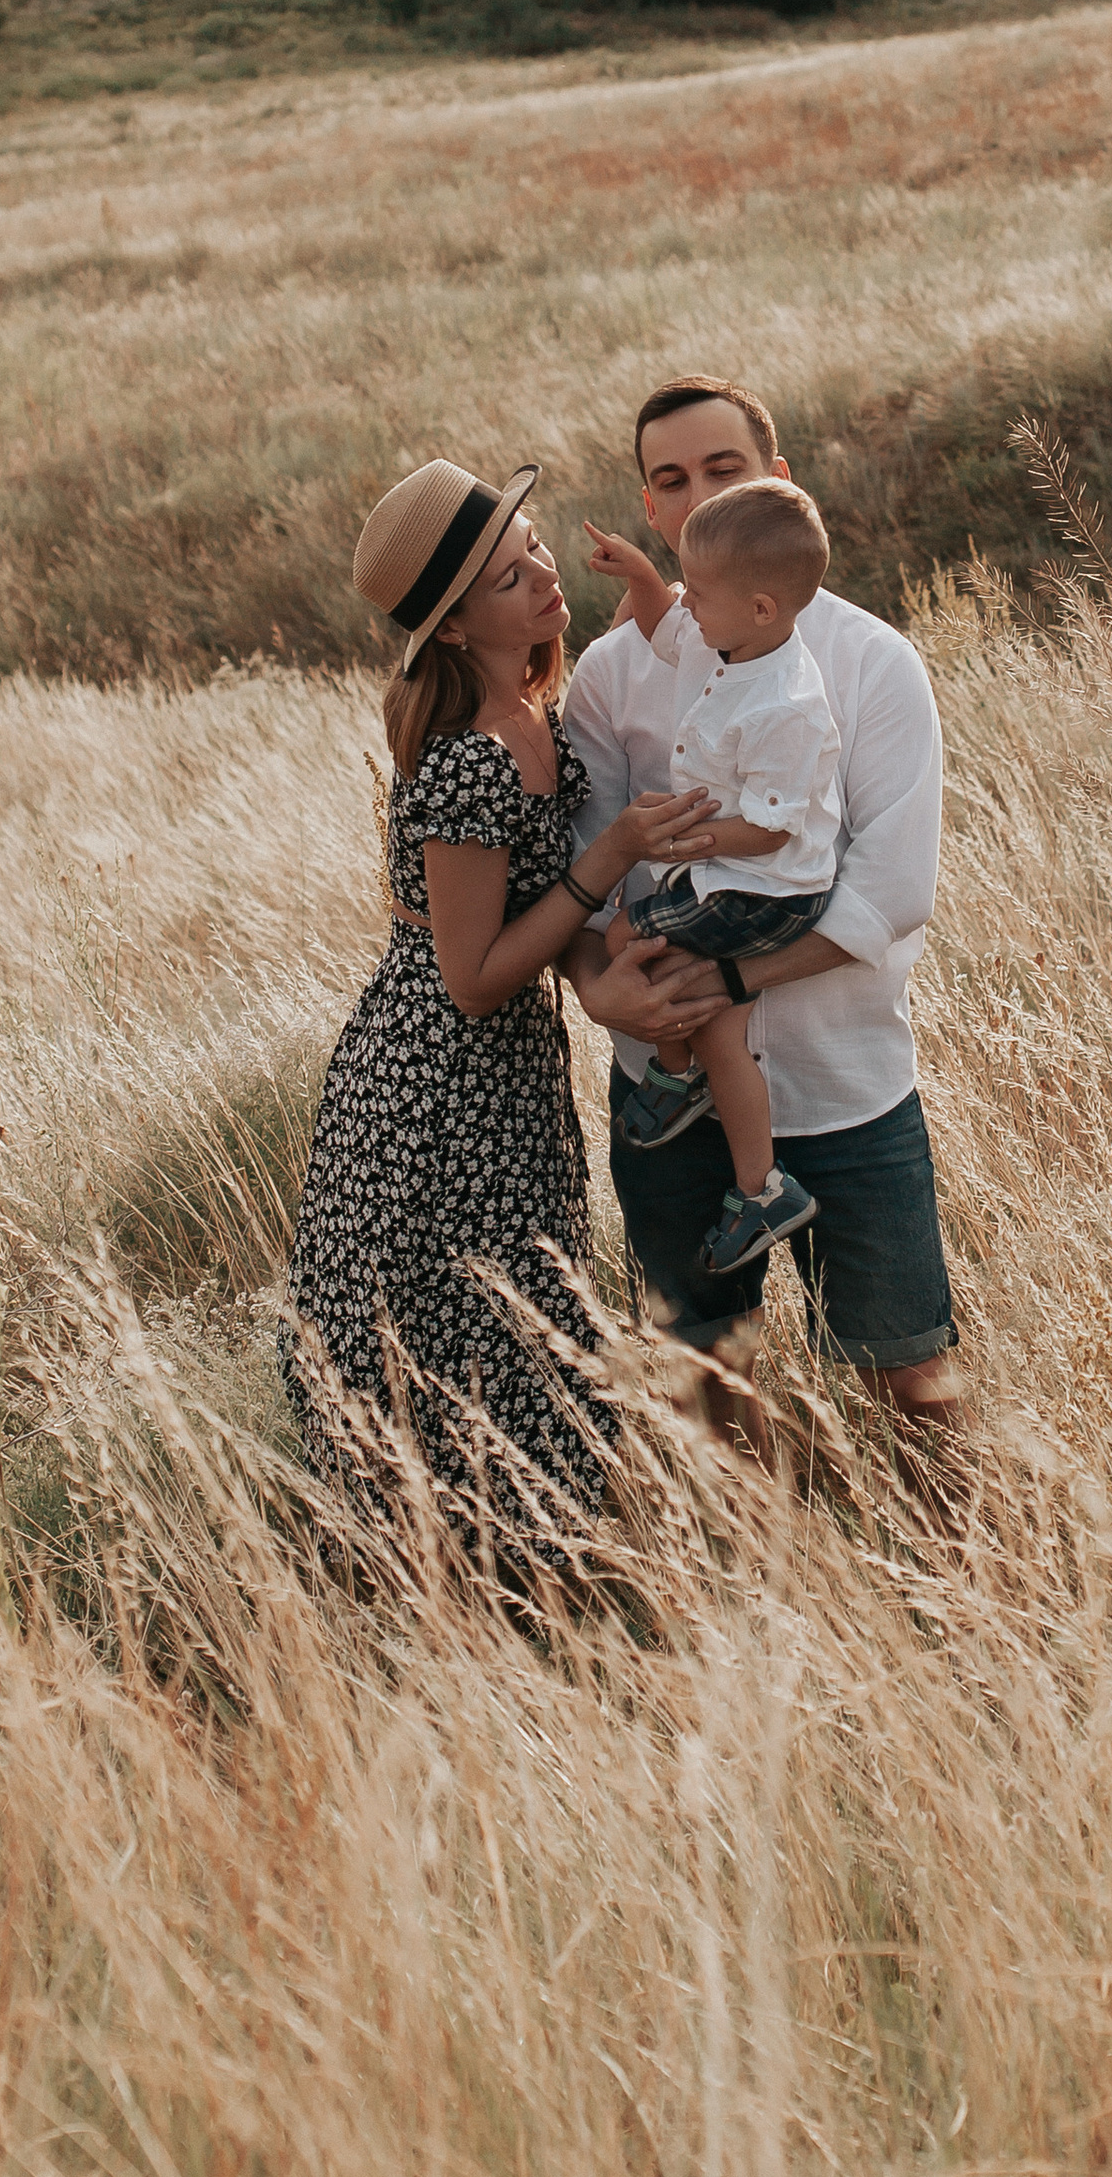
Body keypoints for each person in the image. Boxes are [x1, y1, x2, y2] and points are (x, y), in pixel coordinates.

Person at [280, 456, 717, 1579]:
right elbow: (472, 975)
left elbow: (541, 921)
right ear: (459, 624)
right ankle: (454, 1583)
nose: (542, 583)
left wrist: (595, 962)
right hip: (430, 1088)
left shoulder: (537, 726)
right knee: (460, 1333)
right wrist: (611, 859)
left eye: (533, 560)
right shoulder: (468, 764)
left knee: (524, 1316)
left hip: (502, 1074)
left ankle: (524, 1578)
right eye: (511, 577)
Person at [563, 375, 962, 1427]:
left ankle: (967, 1577)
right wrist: (605, 998)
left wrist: (734, 975)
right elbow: (579, 869)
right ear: (648, 508)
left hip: (848, 1085)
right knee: (705, 1388)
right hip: (666, 1083)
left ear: (780, 485)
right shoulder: (609, 677)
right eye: (669, 480)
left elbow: (890, 892)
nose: (695, 497)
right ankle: (753, 1583)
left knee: (909, 1379)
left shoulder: (873, 663)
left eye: (722, 470)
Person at [583, 477, 845, 1277]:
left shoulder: (788, 703)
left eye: (693, 590)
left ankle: (676, 1074)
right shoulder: (736, 641)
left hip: (763, 891)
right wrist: (639, 580)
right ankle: (757, 1182)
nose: (682, 602)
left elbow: (770, 830)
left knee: (631, 933)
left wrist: (678, 843)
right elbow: (668, 634)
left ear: (761, 607)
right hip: (729, 873)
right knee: (720, 1025)